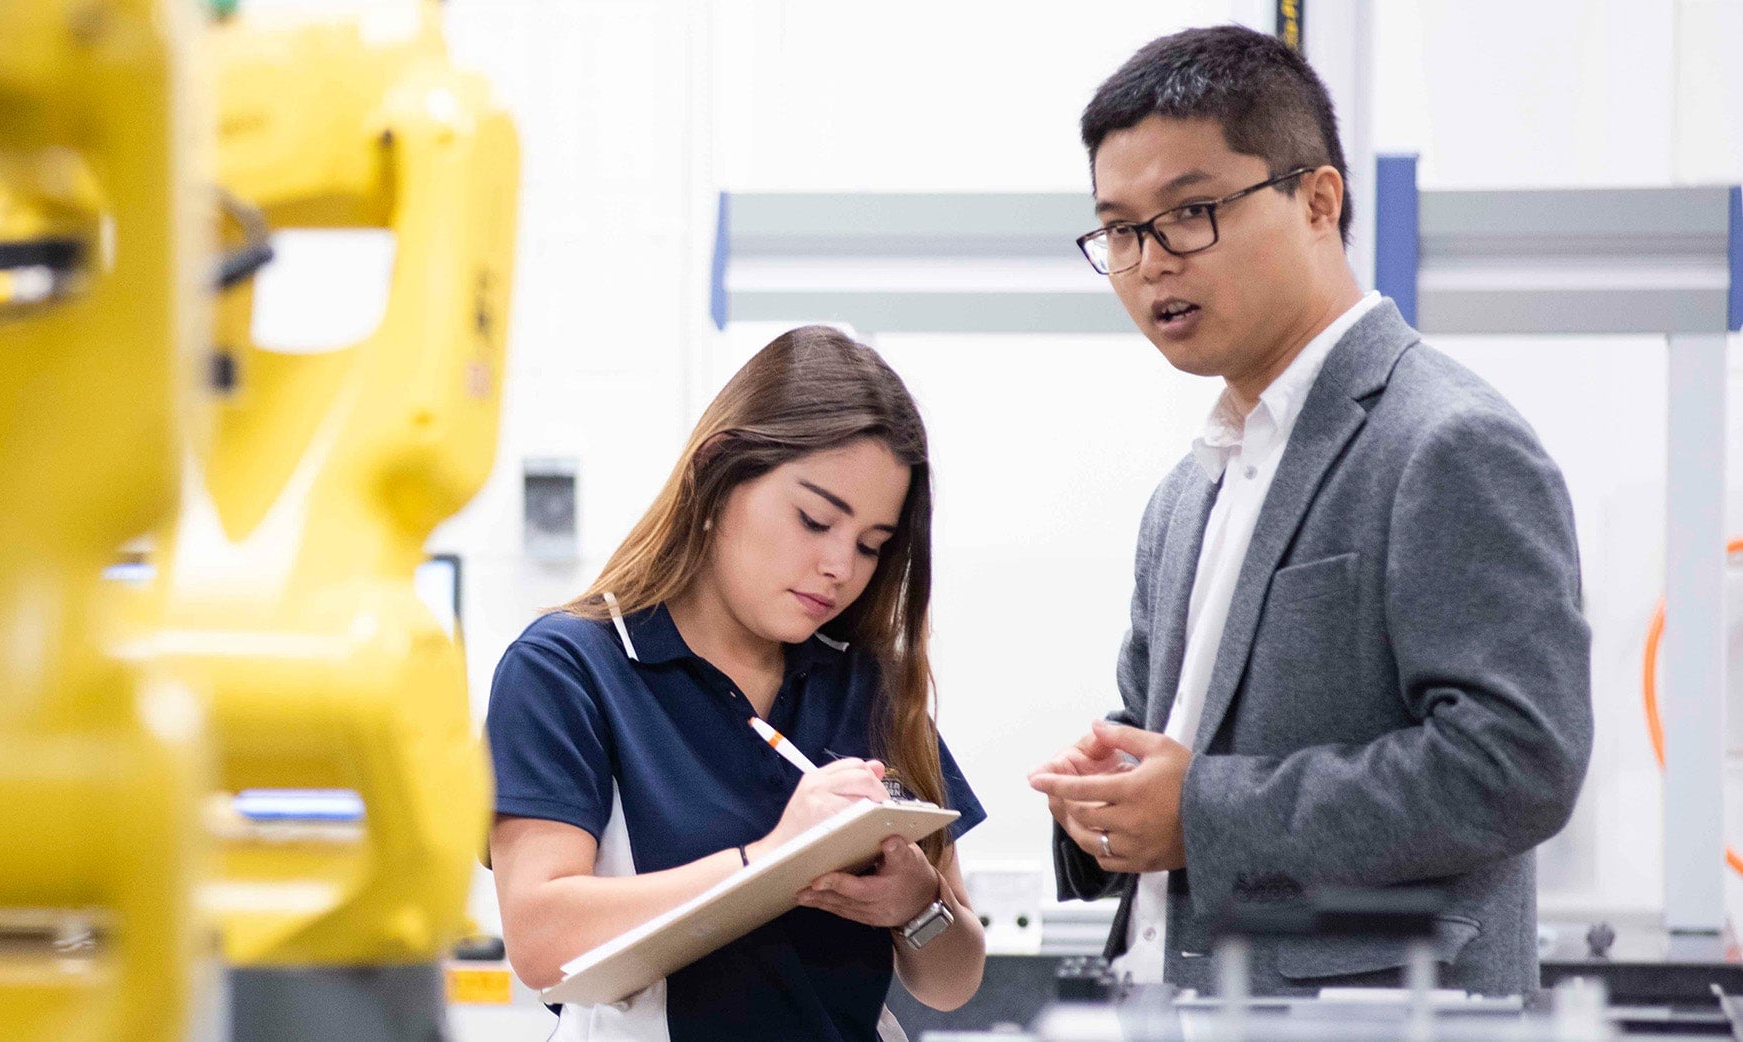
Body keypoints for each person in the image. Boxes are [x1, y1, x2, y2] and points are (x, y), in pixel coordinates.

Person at [1027, 25, 1591, 997]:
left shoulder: (1444, 442)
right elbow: (1169, 752)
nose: (1150, 260)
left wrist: (1200, 810)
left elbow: (1515, 764)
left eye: (1190, 210)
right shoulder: (1186, 494)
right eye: (1118, 229)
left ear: (1316, 200)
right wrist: (1106, 801)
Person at [486, 325, 985, 1042]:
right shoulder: (570, 668)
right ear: (718, 475)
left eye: (873, 545)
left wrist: (917, 904)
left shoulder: (863, 683)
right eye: (815, 520)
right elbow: (542, 938)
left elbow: (951, 982)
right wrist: (773, 859)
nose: (841, 567)